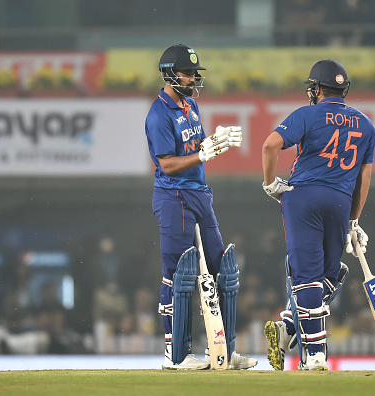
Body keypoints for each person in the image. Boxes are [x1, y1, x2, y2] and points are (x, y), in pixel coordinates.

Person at [145, 44, 257, 370]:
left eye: (195, 72)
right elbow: (166, 164)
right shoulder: (158, 114)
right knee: (178, 274)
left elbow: (199, 146)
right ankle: (175, 354)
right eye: (187, 73)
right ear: (169, 74)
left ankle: (222, 350)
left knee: (224, 270)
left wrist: (215, 141)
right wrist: (202, 155)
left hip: (199, 194)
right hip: (173, 197)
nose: (193, 77)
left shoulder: (190, 105)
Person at [261, 59, 375, 370]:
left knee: (308, 279)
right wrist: (354, 219)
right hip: (340, 201)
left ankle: (313, 354)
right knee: (330, 274)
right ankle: (287, 330)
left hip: (304, 198)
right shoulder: (366, 124)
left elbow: (270, 145)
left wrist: (271, 183)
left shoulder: (308, 114)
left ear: (318, 89)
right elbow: (364, 178)